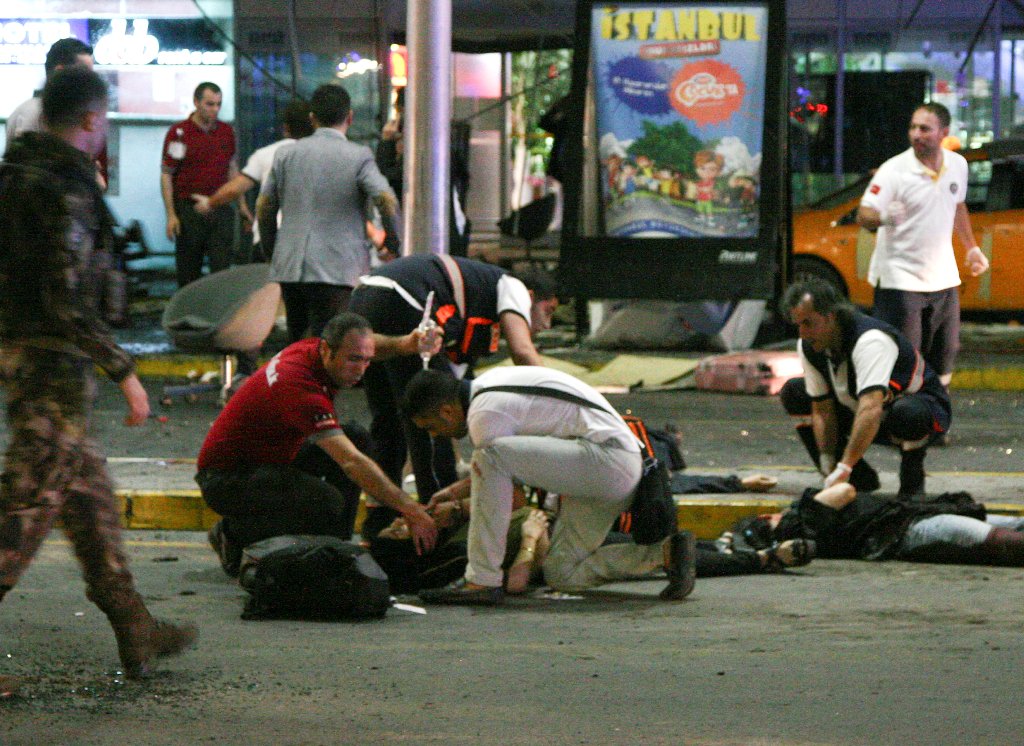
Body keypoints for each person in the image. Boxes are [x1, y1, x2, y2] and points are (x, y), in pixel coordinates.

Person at [0, 66, 195, 679]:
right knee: (26, 507)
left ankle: (132, 622)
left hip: (27, 352)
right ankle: (133, 620)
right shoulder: (62, 187)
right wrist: (124, 370)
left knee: (88, 498)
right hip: (52, 362)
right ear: (90, 120)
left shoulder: (16, 175)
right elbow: (65, 295)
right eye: (104, 119)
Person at [401, 367, 697, 606]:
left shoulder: (483, 416)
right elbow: (506, 472)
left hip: (605, 461)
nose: (437, 435)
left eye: (431, 427)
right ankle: (665, 554)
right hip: (609, 467)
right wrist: (455, 493)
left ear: (447, 411)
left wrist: (454, 508)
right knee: (562, 572)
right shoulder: (489, 383)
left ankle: (481, 578)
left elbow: (510, 493)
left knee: (488, 457)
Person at [195, 312, 438, 577]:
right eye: (353, 360)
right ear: (327, 351)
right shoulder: (299, 385)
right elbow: (350, 462)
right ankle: (233, 534)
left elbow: (369, 345)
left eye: (366, 361)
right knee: (327, 502)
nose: (361, 369)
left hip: (269, 457)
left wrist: (406, 344)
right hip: (226, 478)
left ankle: (337, 545)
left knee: (356, 435)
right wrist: (410, 509)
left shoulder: (313, 349)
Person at [348, 258, 559, 540]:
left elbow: (453, 377)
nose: (547, 324)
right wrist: (558, 396)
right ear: (532, 297)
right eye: (548, 311)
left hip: (363, 296)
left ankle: (380, 520)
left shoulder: (474, 315)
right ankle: (437, 521)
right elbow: (522, 351)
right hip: (403, 298)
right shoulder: (514, 286)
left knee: (389, 423)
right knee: (431, 419)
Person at [856, 102, 990, 389]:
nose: (917, 134)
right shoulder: (894, 170)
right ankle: (900, 425)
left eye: (925, 129)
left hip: (943, 279)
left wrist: (971, 248)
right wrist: (882, 217)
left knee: (945, 354)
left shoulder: (957, 165)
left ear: (943, 132)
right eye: (913, 128)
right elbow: (863, 214)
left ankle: (934, 420)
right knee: (905, 359)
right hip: (900, 281)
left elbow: (958, 206)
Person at [779, 280, 951, 498]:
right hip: (863, 410)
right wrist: (828, 461)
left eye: (808, 323)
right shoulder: (811, 346)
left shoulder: (870, 341)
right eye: (798, 325)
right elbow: (822, 409)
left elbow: (870, 408)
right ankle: (859, 479)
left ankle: (912, 482)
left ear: (830, 316)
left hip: (918, 412)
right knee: (794, 392)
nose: (802, 333)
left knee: (908, 412)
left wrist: (844, 467)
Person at [258, 84, 401, 344]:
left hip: (291, 266)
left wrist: (272, 250)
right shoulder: (359, 156)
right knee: (330, 345)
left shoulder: (286, 154)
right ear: (350, 117)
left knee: (297, 342)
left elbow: (264, 207)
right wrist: (393, 241)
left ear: (312, 118)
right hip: (337, 269)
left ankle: (298, 384)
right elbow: (386, 199)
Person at [735, 482, 1024, 567]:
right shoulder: (802, 516)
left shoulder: (806, 537)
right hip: (909, 527)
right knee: (1001, 537)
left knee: (1003, 532)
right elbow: (845, 491)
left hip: (907, 524)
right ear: (766, 519)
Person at [192, 99, 314, 261]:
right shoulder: (327, 156)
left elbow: (234, 189)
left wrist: (209, 203)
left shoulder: (267, 154)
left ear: (285, 128)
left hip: (271, 242)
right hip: (312, 243)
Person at [160, 81, 242, 288]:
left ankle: (219, 316)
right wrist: (171, 215)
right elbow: (167, 174)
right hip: (190, 209)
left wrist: (242, 206)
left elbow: (233, 170)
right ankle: (186, 317)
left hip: (220, 207)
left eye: (218, 104)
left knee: (222, 271)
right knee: (188, 271)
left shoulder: (226, 132)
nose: (215, 109)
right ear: (196, 102)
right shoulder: (179, 133)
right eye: (209, 104)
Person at [5, 38, 93, 142]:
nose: (91, 81)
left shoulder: (57, 112)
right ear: (59, 72)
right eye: (84, 74)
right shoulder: (36, 114)